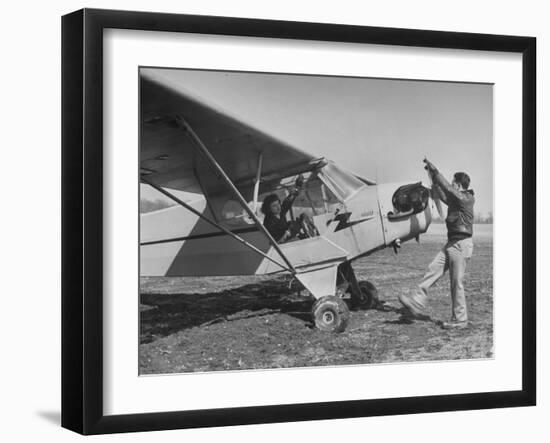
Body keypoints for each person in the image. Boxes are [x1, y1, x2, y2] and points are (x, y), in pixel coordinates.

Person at [398, 158, 475, 329]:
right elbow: (442, 193)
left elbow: (447, 189)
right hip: (452, 243)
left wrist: (436, 171)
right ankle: (417, 300)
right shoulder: (456, 199)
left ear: (459, 184)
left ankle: (460, 320)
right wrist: (433, 179)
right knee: (433, 268)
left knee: (456, 283)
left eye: (454, 182)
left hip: (461, 244)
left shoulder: (466, 199)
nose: (452, 184)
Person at [261, 175, 317, 243]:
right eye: (274, 206)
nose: (278, 207)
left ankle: (313, 235)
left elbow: (288, 201)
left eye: (278, 203)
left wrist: (298, 186)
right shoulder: (268, 222)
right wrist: (289, 231)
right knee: (292, 225)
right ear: (268, 208)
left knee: (303, 217)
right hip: (281, 245)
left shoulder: (280, 211)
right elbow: (276, 240)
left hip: (290, 237)